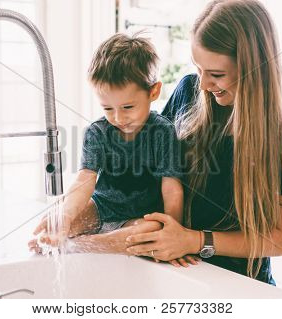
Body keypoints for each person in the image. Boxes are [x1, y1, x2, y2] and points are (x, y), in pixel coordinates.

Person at [125, 0, 282, 284]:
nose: (203, 84)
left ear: (255, 68)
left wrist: (195, 241)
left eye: (216, 75)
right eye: (199, 69)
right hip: (175, 272)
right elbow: (150, 174)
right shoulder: (188, 91)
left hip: (242, 285)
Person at [29, 33, 189, 265]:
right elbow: (85, 181)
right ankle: (67, 238)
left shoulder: (162, 132)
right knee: (53, 221)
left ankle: (82, 245)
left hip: (139, 217)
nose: (118, 117)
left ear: (153, 92)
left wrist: (173, 234)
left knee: (150, 231)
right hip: (101, 208)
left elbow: (172, 188)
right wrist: (65, 216)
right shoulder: (97, 132)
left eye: (127, 107)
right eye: (107, 108)